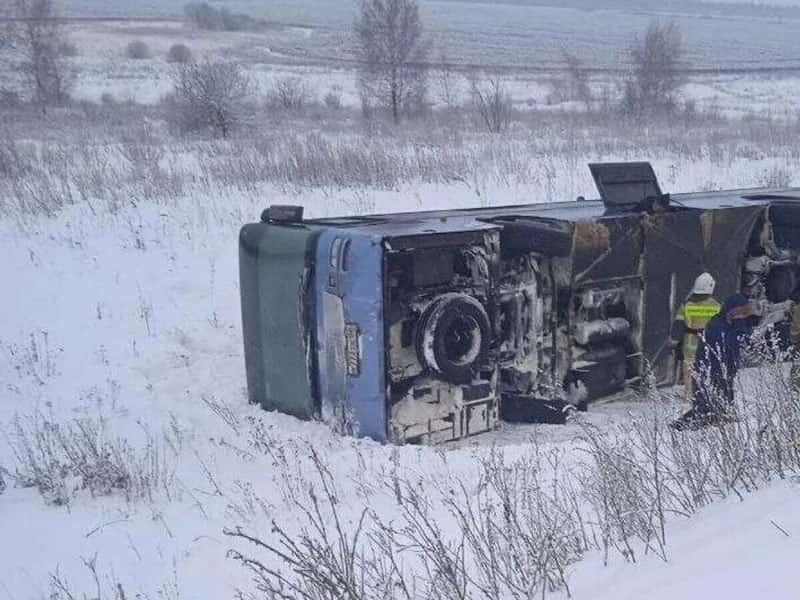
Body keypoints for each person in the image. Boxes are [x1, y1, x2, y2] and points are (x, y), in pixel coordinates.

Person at [671, 293, 758, 431]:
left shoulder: (732, 323)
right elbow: (729, 343)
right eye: (739, 312)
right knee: (705, 403)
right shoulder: (718, 324)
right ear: (730, 310)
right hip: (708, 368)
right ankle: (686, 426)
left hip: (723, 369)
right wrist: (741, 329)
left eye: (744, 312)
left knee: (723, 400)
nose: (741, 316)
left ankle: (715, 417)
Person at [671, 273, 721, 400]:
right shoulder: (716, 305)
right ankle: (707, 393)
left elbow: (678, 323)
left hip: (690, 341)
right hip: (708, 340)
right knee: (709, 366)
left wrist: (674, 340)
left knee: (689, 368)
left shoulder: (687, 304)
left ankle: (689, 394)